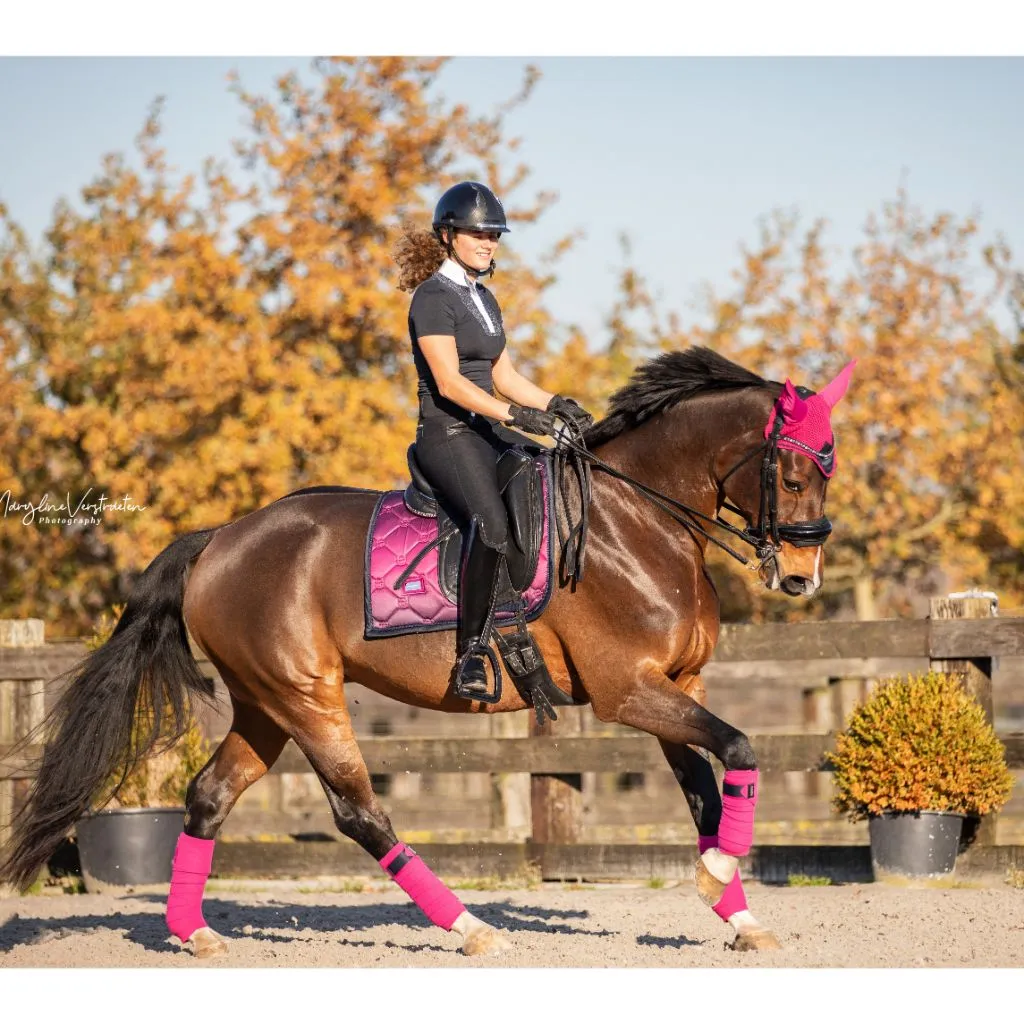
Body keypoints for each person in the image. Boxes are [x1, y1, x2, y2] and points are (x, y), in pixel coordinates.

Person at [394, 181, 593, 699]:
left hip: (490, 428)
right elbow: (450, 382)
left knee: (546, 493)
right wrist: (518, 416)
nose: (488, 243)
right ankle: (470, 655)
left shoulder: (484, 297)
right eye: (477, 233)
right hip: (449, 433)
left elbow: (503, 374)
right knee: (490, 526)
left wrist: (554, 404)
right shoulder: (432, 299)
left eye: (494, 235)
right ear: (448, 235)